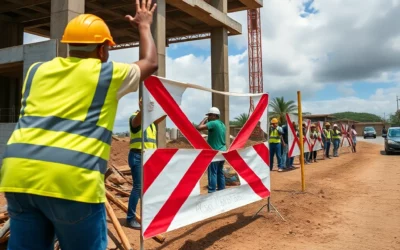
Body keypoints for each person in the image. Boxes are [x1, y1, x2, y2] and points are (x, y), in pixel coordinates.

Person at [0, 1, 158, 249]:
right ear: (104, 49)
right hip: (71, 180)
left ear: (69, 45)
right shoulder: (107, 74)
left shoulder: (36, 71)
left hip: (19, 175)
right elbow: (150, 62)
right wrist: (145, 25)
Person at [127, 98, 166, 229]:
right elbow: (137, 121)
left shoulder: (151, 122)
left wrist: (169, 104)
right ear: (140, 103)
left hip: (148, 157)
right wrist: (144, 108)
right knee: (138, 187)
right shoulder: (135, 117)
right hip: (138, 156)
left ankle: (149, 215)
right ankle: (130, 218)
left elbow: (163, 115)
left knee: (148, 187)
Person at [197, 107, 226, 193]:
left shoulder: (213, 123)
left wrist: (204, 119)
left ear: (214, 115)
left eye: (209, 115)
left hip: (214, 152)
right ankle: (221, 190)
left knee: (212, 172)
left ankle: (211, 191)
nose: (208, 117)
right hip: (223, 151)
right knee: (220, 172)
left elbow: (198, 127)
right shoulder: (222, 124)